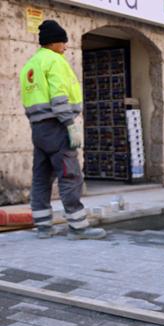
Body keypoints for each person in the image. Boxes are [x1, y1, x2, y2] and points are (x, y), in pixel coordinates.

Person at [20, 20, 106, 240]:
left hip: (38, 129)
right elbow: (59, 96)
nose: (65, 47)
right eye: (63, 42)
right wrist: (69, 124)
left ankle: (43, 227)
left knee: (41, 177)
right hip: (57, 126)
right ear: (54, 43)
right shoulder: (54, 61)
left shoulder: (30, 65)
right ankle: (78, 227)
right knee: (70, 175)